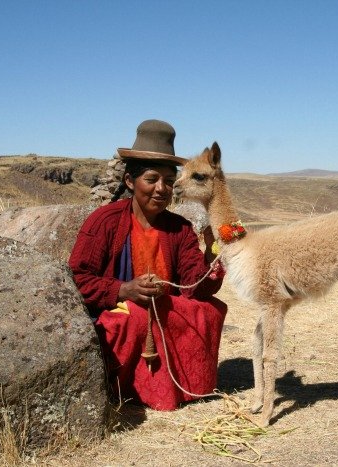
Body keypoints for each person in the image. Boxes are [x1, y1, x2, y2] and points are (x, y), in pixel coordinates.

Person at [69, 119, 227, 410]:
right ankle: (128, 385)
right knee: (134, 317)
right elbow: (78, 277)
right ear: (130, 181)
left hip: (162, 314)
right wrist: (123, 290)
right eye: (152, 179)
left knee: (210, 311)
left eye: (169, 180)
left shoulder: (179, 229)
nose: (161, 189)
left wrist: (213, 252)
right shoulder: (104, 222)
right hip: (116, 314)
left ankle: (182, 383)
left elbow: (196, 288)